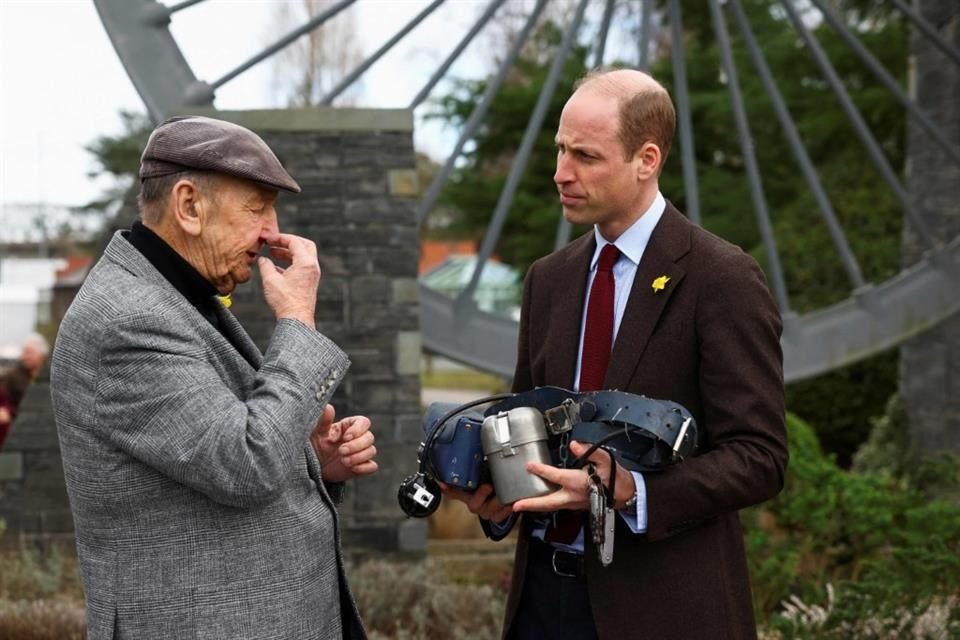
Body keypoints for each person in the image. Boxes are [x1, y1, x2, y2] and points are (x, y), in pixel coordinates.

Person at [444, 69, 788, 639]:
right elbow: (525, 422)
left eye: (585, 155)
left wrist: (630, 492)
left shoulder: (721, 278)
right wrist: (497, 490)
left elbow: (760, 457)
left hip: (662, 612)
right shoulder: (548, 280)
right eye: (560, 149)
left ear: (646, 160)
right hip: (541, 604)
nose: (561, 173)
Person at [51, 115, 378, 640]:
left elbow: (216, 455)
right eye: (256, 207)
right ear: (188, 205)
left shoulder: (171, 295)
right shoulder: (128, 320)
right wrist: (297, 320)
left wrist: (314, 461)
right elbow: (246, 464)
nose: (272, 230)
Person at [0, 333, 49, 449]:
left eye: (29, 352)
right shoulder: (13, 376)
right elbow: (4, 399)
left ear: (41, 354)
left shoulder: (51, 375)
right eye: (24, 352)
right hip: (20, 423)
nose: (25, 356)